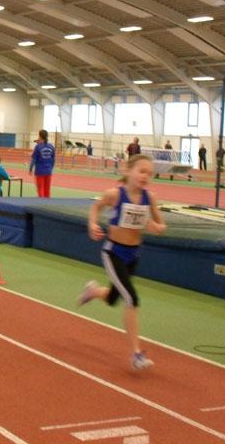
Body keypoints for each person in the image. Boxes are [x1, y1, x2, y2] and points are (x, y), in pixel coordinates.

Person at [78, 154, 166, 370]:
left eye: (149, 173)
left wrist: (157, 227)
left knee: (112, 298)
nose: (145, 176)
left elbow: (161, 224)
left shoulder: (150, 198)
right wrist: (92, 225)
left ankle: (92, 291)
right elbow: (96, 207)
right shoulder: (115, 194)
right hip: (113, 253)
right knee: (131, 298)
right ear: (128, 170)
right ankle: (136, 355)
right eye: (141, 171)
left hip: (133, 255)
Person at [29, 129, 55, 198]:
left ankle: (41, 203)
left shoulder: (37, 147)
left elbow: (33, 159)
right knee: (47, 190)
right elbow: (53, 160)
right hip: (48, 171)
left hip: (39, 171)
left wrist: (30, 169)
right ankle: (47, 203)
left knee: (40, 189)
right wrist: (51, 168)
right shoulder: (51, 146)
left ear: (40, 136)